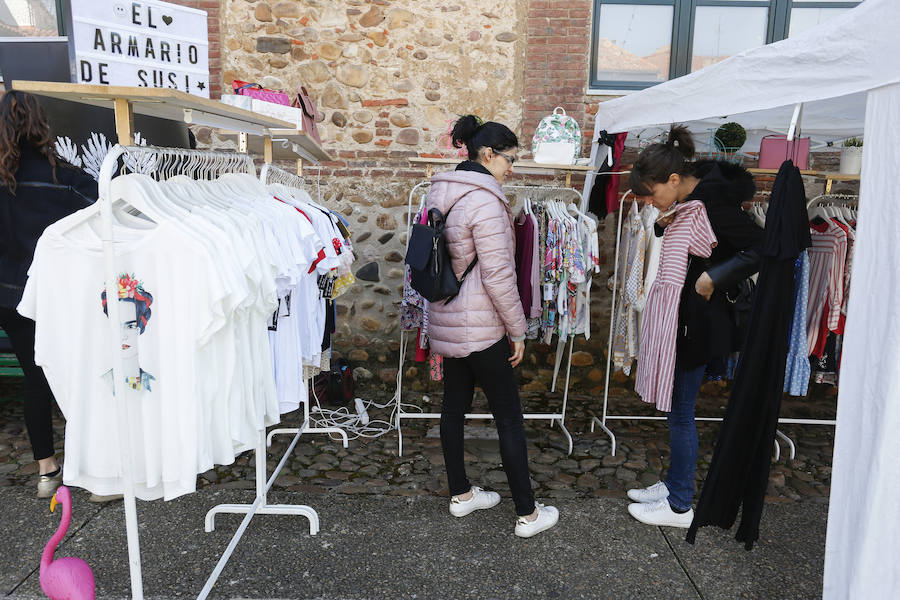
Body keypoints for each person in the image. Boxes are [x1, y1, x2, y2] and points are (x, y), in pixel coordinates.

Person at [426, 115, 558, 538]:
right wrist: (517, 330)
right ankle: (528, 514)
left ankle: (462, 495)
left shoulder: (438, 190)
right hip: (483, 327)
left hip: (445, 318)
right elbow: (499, 276)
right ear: (487, 154)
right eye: (509, 159)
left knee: (453, 408)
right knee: (509, 419)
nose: (511, 168)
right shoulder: (486, 201)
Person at [625, 125, 763, 527]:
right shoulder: (689, 202)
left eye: (653, 194)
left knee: (682, 413)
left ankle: (680, 504)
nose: (651, 203)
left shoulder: (713, 207)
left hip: (699, 324)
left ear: (674, 179)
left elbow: (765, 246)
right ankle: (673, 485)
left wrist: (715, 277)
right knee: (677, 411)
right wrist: (662, 225)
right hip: (686, 319)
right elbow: (687, 239)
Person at [0, 91, 97, 497]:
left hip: (8, 297)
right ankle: (91, 467)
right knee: (83, 376)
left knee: (35, 379)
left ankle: (46, 472)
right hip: (61, 296)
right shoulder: (69, 181)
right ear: (42, 126)